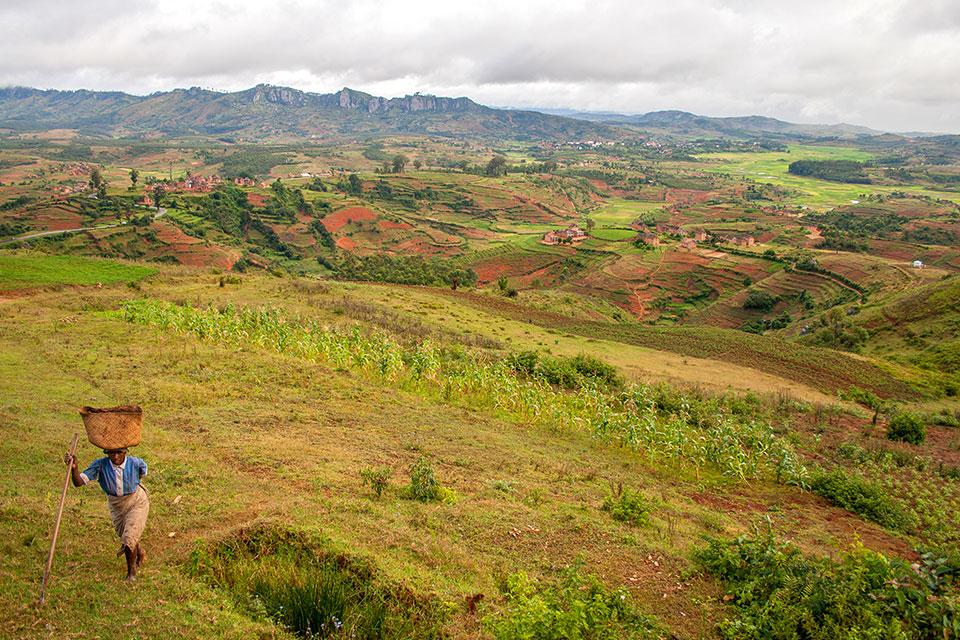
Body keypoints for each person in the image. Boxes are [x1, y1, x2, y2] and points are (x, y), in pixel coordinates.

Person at [64, 447, 150, 581]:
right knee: (126, 533)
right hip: (116, 505)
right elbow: (78, 483)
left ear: (125, 452)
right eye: (111, 453)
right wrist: (74, 468)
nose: (115, 457)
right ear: (106, 453)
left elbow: (142, 472)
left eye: (119, 453)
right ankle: (138, 551)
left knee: (129, 536)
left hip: (136, 500)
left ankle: (131, 572)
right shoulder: (100, 465)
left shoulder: (136, 463)